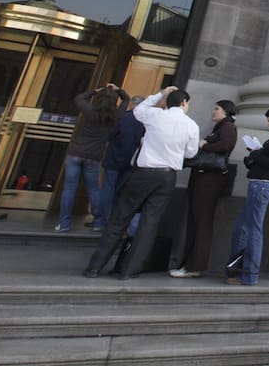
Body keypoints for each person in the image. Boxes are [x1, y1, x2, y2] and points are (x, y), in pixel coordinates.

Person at [83, 86, 199, 280]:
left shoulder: (155, 115)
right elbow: (191, 153)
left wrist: (160, 93)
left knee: (119, 218)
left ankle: (94, 267)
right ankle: (128, 271)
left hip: (143, 172)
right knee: (149, 224)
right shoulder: (191, 125)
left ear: (167, 101)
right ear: (184, 102)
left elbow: (138, 110)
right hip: (167, 177)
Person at [169, 99, 238, 278]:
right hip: (205, 179)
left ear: (225, 111)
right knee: (197, 220)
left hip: (210, 180)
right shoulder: (222, 126)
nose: (214, 111)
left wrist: (204, 145)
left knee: (201, 221)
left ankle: (194, 266)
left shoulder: (227, 127)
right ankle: (190, 264)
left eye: (217, 109)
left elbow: (226, 145)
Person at [227, 104, 269, 286]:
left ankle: (249, 274)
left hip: (262, 184)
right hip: (262, 184)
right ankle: (237, 268)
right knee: (243, 227)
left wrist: (256, 154)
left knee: (253, 230)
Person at [56, 84, 127, 232]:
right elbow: (127, 100)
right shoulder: (115, 116)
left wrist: (95, 91)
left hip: (76, 152)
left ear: (99, 98)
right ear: (114, 101)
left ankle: (64, 223)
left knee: (69, 188)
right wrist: (118, 90)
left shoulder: (90, 111)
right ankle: (98, 221)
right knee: (93, 189)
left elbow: (79, 98)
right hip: (94, 156)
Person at [100, 94, 145, 240]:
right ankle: (117, 221)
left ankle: (104, 220)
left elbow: (110, 135)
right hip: (131, 162)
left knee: (108, 189)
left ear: (132, 104)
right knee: (121, 192)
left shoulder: (123, 117)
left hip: (114, 158)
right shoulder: (145, 121)